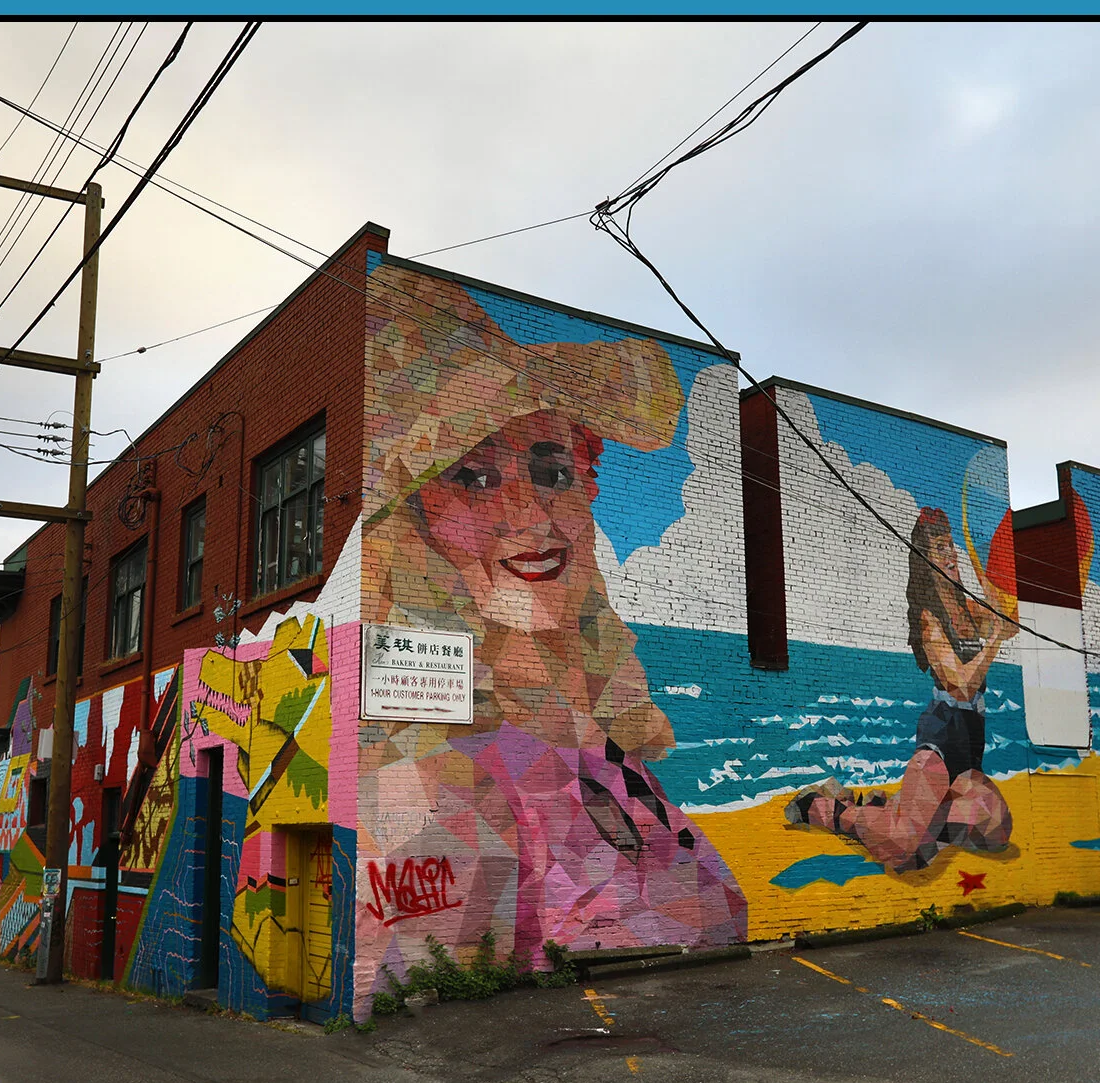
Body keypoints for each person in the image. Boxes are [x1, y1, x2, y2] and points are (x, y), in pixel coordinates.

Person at [359, 265, 747, 967]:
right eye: (471, 478)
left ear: (587, 483)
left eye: (552, 472)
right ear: (416, 524)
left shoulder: (599, 741)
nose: (531, 516)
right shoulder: (441, 775)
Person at [787, 507, 1017, 872]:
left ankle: (888, 807)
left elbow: (1006, 614)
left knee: (996, 830)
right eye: (940, 548)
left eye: (951, 546)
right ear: (925, 558)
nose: (950, 554)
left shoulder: (969, 610)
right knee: (905, 851)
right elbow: (959, 684)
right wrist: (995, 642)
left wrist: (1003, 601)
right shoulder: (929, 620)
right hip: (940, 741)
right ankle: (827, 809)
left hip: (970, 753)